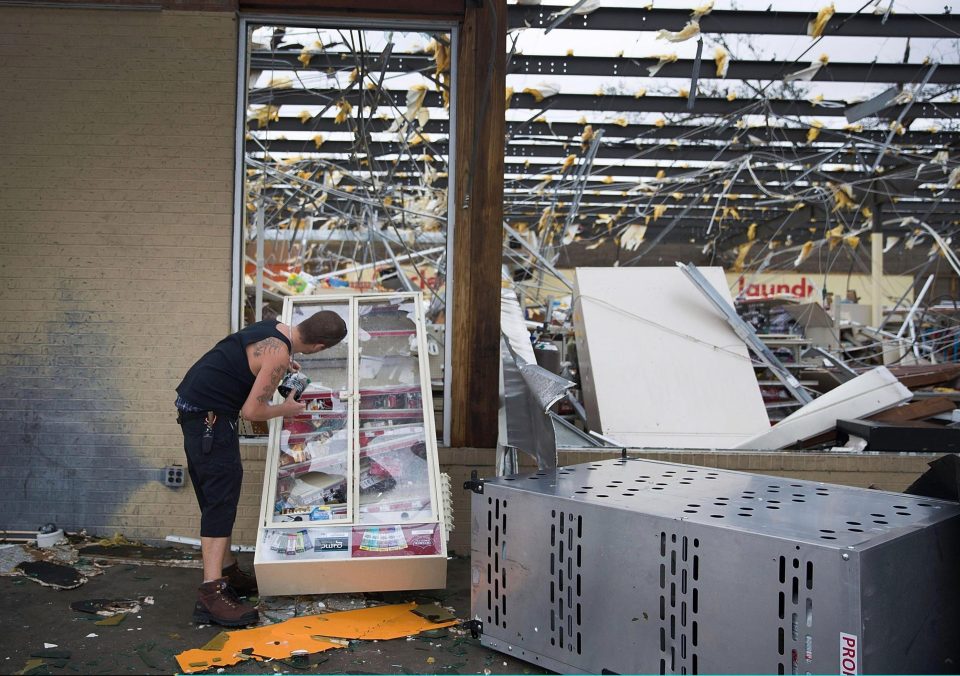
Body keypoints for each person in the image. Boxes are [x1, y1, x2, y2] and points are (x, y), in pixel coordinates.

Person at [175, 310, 347, 626]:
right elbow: (253, 411)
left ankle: (227, 574)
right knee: (221, 501)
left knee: (218, 496)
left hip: (199, 411)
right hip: (209, 419)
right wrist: (288, 407)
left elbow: (250, 360)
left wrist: (280, 367)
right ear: (320, 346)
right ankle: (211, 597)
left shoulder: (274, 329)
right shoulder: (279, 355)